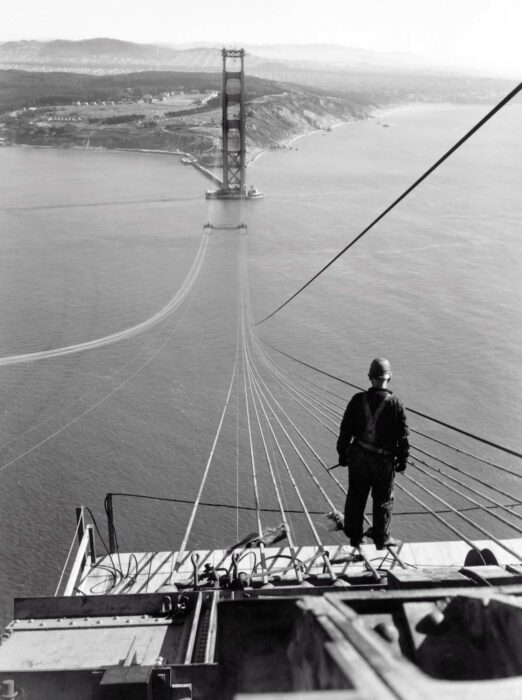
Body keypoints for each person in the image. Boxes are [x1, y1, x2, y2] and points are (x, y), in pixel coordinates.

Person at [336, 358, 409, 549]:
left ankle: (355, 538)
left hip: (359, 458)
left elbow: (345, 430)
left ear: (370, 378)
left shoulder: (357, 400)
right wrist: (402, 460)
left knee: (355, 497)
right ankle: (381, 538)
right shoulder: (396, 405)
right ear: (389, 377)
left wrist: (343, 453)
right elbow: (403, 438)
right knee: (383, 500)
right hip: (383, 462)